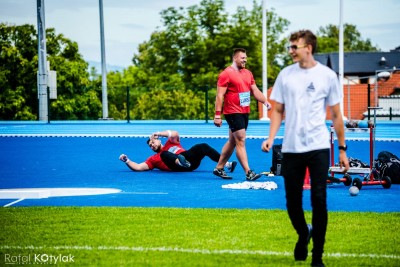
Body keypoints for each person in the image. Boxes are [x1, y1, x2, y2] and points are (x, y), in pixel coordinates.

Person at [261, 30, 349, 267]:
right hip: (291, 147)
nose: (290, 51)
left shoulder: (327, 76)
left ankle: (317, 257)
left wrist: (342, 149)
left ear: (308, 47)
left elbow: (337, 115)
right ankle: (303, 233)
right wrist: (271, 138)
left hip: (318, 146)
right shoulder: (285, 75)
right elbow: (277, 110)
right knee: (292, 202)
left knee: (319, 199)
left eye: (294, 47)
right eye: (289, 47)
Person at [213, 48, 271, 181]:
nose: (245, 60)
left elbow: (255, 90)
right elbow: (220, 95)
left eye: (246, 57)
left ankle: (219, 168)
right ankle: (248, 172)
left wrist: (265, 102)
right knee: (241, 140)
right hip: (233, 111)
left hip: (244, 111)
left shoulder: (248, 73)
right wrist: (217, 115)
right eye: (242, 58)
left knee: (233, 141)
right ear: (235, 58)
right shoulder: (226, 74)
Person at [119, 130, 237, 176]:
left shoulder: (171, 143)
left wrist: (159, 133)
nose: (152, 145)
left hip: (190, 162)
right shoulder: (154, 158)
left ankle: (226, 164)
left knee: (202, 146)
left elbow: (174, 133)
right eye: (150, 146)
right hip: (176, 167)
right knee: (164, 154)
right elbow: (138, 167)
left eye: (153, 142)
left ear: (159, 140)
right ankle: (180, 162)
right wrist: (127, 161)